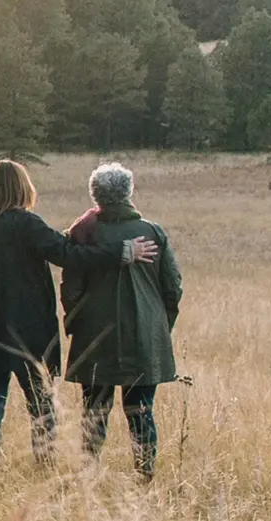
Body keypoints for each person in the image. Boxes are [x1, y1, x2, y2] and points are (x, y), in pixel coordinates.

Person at [0, 159, 158, 464]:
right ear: (22, 188)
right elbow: (69, 255)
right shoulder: (28, 225)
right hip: (29, 334)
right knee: (41, 406)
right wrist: (122, 252)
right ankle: (44, 465)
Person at [60, 162, 183, 483]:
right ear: (128, 192)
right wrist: (160, 327)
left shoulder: (84, 233)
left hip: (94, 337)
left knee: (94, 411)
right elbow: (173, 288)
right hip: (144, 336)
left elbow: (70, 290)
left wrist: (74, 325)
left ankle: (88, 476)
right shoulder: (153, 233)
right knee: (141, 410)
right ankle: (145, 476)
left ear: (95, 195)